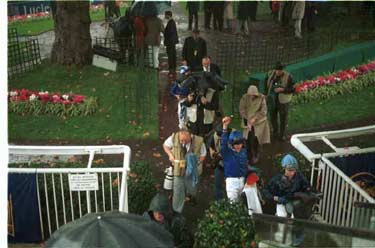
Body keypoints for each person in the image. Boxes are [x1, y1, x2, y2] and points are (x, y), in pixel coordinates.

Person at [263, 154, 312, 246]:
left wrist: (303, 194)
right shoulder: (276, 180)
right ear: (284, 169)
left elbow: (307, 187)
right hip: (281, 204)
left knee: (296, 225)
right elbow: (266, 191)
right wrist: (275, 198)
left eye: (294, 170)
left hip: (295, 205)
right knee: (282, 225)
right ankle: (282, 242)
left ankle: (296, 242)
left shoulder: (299, 177)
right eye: (289, 170)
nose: (292, 173)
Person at [163, 129, 206, 213]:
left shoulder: (199, 141)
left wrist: (197, 162)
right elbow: (165, 146)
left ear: (190, 136)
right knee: (178, 190)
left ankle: (190, 197)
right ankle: (177, 211)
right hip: (178, 170)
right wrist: (170, 155)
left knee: (192, 189)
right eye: (181, 140)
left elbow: (203, 154)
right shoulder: (174, 138)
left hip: (192, 171)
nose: (183, 142)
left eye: (185, 140)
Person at [239, 85, 271, 164]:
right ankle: (248, 156)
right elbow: (241, 109)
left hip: (258, 123)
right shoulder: (244, 98)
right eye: (250, 95)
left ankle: (256, 155)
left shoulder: (261, 98)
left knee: (256, 140)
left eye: (253, 95)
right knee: (247, 140)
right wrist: (247, 118)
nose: (252, 96)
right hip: (248, 122)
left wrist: (255, 118)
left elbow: (264, 111)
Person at [220, 116, 248, 202]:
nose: (238, 146)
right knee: (233, 206)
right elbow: (223, 143)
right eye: (236, 144)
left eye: (240, 143)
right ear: (232, 144)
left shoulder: (243, 151)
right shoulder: (226, 152)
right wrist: (225, 127)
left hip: (243, 181)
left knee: (243, 205)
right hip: (232, 182)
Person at [265, 62, 294, 141]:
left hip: (283, 101)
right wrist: (266, 95)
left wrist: (283, 89)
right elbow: (266, 85)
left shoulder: (288, 77)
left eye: (280, 71)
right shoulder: (270, 75)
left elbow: (292, 89)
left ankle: (282, 135)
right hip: (272, 100)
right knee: (272, 117)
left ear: (282, 70)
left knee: (283, 118)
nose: (278, 72)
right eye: (277, 70)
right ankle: (275, 132)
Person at [164, 11, 179, 76]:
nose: (165, 16)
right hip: (172, 42)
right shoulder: (171, 22)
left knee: (170, 54)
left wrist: (165, 32)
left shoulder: (171, 22)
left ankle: (171, 67)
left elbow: (170, 33)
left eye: (165, 15)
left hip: (170, 42)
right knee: (172, 53)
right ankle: (173, 66)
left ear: (168, 15)